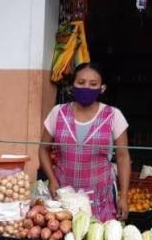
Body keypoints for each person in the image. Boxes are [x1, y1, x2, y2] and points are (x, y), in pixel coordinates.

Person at [39, 63, 131, 221]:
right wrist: (52, 180)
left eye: (93, 84)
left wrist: (123, 196)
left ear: (102, 88)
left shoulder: (113, 115)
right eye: (81, 83)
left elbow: (123, 157)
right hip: (64, 198)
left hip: (100, 198)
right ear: (72, 85)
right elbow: (43, 149)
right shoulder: (58, 113)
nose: (86, 87)